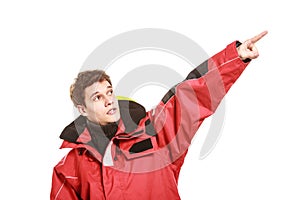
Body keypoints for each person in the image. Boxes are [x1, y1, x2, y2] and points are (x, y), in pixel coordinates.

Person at [50, 31, 268, 200]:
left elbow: (191, 95)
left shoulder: (154, 131)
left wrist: (235, 57)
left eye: (110, 92)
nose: (108, 100)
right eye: (97, 97)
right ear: (82, 109)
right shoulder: (69, 167)